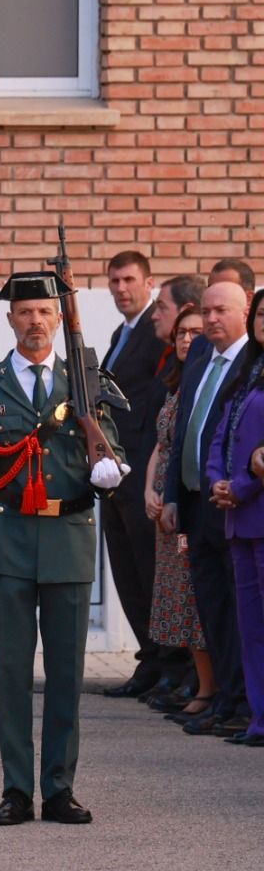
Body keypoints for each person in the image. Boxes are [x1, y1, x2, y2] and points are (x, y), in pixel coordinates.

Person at [0, 271, 127, 826]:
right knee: (12, 674)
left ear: (58, 317)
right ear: (10, 321)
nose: (34, 321)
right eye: (24, 312)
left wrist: (109, 469)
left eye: (44, 311)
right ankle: (16, 791)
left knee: (68, 676)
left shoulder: (85, 380)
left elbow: (113, 450)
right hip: (8, 542)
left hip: (69, 539)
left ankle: (60, 789)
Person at [163, 281, 252, 736]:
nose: (212, 319)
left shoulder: (251, 362)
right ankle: (223, 699)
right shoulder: (199, 359)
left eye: (222, 311)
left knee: (240, 609)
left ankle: (242, 704)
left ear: (244, 313)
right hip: (196, 504)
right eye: (208, 311)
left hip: (232, 502)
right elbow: (184, 435)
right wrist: (174, 494)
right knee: (212, 607)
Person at [100, 251, 175, 698]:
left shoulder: (156, 333)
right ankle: (150, 660)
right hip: (115, 476)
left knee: (149, 572)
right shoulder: (120, 333)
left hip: (140, 473)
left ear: (149, 282)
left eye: (129, 280)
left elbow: (153, 410)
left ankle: (169, 664)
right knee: (127, 573)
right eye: (114, 281)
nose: (121, 289)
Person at [145, 306, 215, 719]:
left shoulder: (208, 381)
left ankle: (208, 689)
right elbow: (161, 445)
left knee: (195, 603)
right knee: (180, 603)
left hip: (191, 506)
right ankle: (200, 683)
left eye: (194, 332)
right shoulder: (176, 385)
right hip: (164, 510)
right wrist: (148, 491)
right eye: (180, 334)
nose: (186, 340)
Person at [205, 286, 264, 745]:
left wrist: (240, 486)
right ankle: (258, 718)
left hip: (258, 511)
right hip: (238, 520)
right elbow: (221, 434)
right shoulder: (247, 374)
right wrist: (216, 482)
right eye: (261, 314)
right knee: (251, 627)